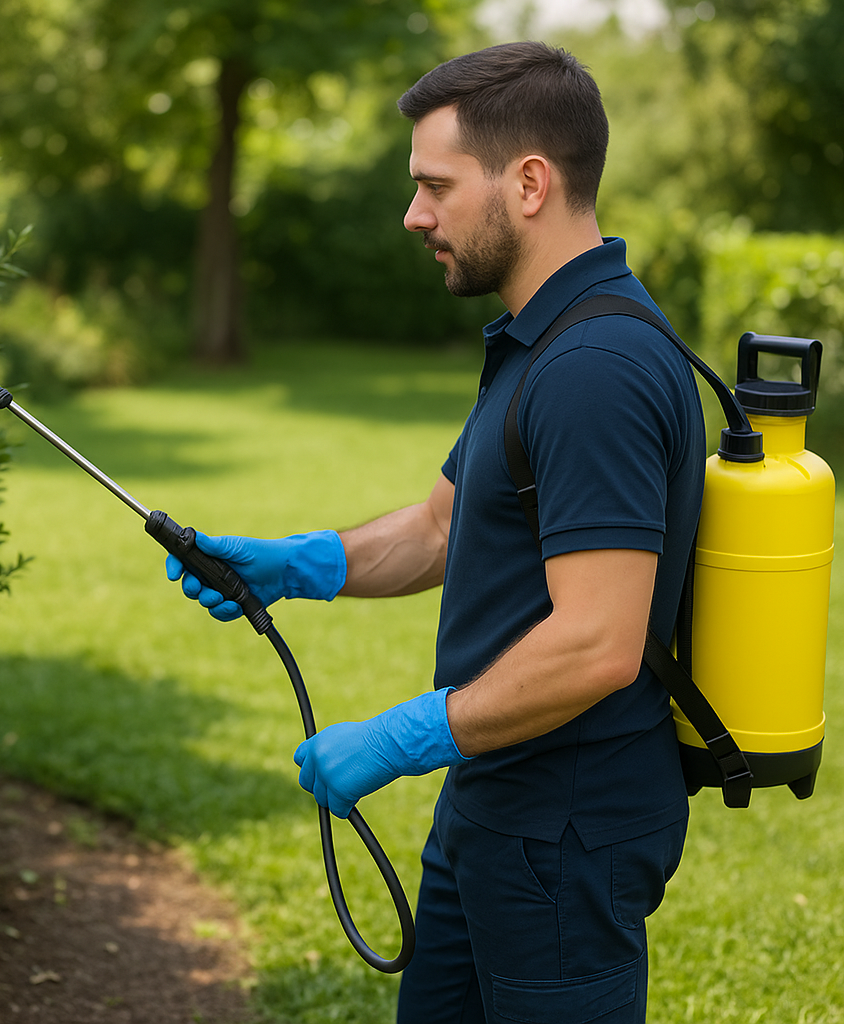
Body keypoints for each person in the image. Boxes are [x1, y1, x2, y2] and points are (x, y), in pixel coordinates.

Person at [167, 41, 704, 1024]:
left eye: (434, 186)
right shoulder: (541, 337)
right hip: (495, 803)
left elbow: (597, 641)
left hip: (563, 828)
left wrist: (404, 734)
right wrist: (290, 564)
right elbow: (437, 527)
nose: (413, 214)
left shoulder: (596, 366)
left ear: (530, 182)